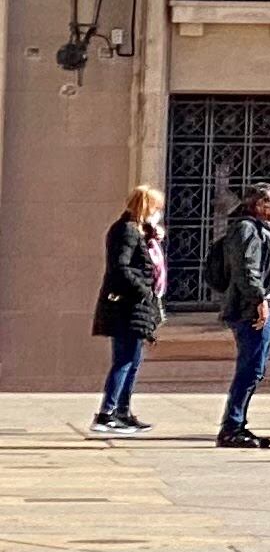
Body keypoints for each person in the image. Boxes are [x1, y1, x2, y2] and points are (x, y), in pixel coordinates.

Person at [205, 183, 270, 448]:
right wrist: (259, 300)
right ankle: (232, 427)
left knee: (254, 370)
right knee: (249, 369)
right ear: (259, 205)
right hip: (251, 310)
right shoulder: (247, 229)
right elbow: (246, 269)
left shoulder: (264, 231)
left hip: (265, 309)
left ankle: (237, 424)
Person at [93, 184, 167, 435]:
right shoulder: (125, 231)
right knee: (123, 360)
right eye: (156, 208)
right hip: (126, 306)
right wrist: (143, 291)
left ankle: (122, 411)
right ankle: (107, 413)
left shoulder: (140, 232)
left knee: (132, 361)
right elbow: (121, 267)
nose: (158, 214)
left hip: (137, 307)